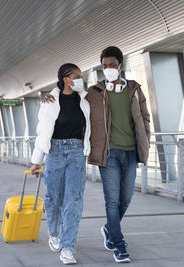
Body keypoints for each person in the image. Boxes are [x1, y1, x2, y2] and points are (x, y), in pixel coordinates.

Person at [44, 46, 150, 263]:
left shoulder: (135, 89)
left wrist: (145, 141)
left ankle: (110, 228)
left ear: (121, 65)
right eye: (104, 66)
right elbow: (70, 95)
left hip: (131, 151)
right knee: (111, 201)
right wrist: (51, 95)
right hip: (107, 153)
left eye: (112, 65)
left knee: (126, 198)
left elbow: (145, 118)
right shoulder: (94, 92)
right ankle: (118, 244)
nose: (108, 69)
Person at [30, 63, 91, 265]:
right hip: (54, 151)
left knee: (74, 198)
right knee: (53, 197)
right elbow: (42, 132)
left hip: (77, 151)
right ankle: (54, 233)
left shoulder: (84, 99)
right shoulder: (49, 101)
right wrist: (36, 161)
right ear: (66, 78)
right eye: (76, 76)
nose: (80, 79)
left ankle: (67, 247)